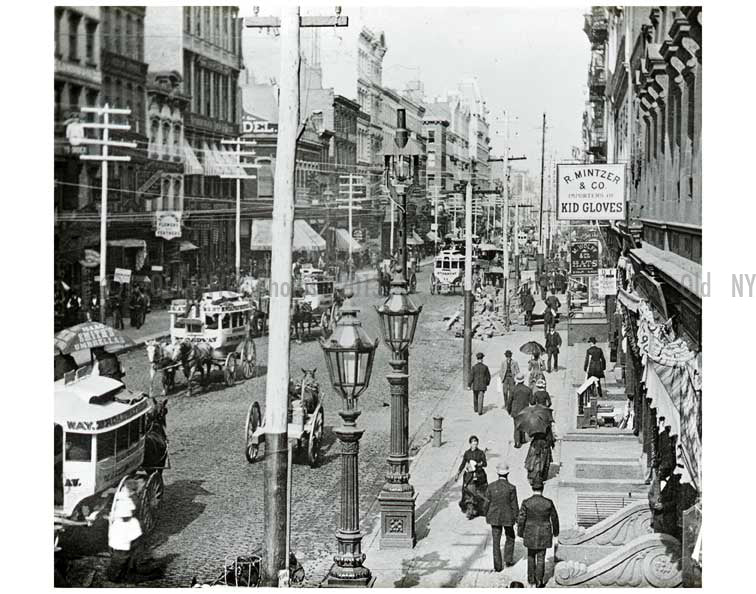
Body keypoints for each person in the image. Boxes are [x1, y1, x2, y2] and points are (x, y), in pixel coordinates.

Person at [517, 478, 560, 588]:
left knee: (531, 556)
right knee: (541, 557)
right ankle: (539, 581)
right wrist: (555, 532)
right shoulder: (548, 502)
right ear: (542, 489)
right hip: (544, 533)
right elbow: (554, 518)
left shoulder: (526, 502)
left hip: (530, 532)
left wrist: (520, 533)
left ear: (532, 488)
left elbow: (521, 519)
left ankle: (531, 580)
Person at [483, 462, 520, 571]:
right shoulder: (511, 488)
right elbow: (514, 505)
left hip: (494, 517)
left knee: (496, 541)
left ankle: (498, 566)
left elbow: (486, 504)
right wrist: (517, 519)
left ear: (497, 473)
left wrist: (487, 513)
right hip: (508, 517)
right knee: (510, 537)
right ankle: (508, 560)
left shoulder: (491, 487)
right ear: (507, 474)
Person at [456, 435, 488, 519]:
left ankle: (478, 509)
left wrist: (478, 464)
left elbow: (485, 463)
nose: (475, 444)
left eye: (476, 443)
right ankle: (470, 510)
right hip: (469, 476)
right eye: (473, 443)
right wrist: (458, 473)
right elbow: (463, 463)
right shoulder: (467, 453)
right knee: (469, 493)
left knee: (480, 493)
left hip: (479, 475)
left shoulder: (481, 453)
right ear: (470, 444)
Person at [525, 419, 555, 485]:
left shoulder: (534, 424)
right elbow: (550, 437)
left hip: (535, 445)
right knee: (542, 462)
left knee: (533, 461)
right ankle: (539, 477)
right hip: (544, 445)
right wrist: (552, 443)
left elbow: (530, 436)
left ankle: (533, 476)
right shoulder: (547, 425)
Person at [510, 373, 532, 448]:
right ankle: (523, 439)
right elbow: (532, 401)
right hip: (525, 410)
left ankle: (517, 442)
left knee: (516, 427)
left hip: (515, 410)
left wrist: (509, 410)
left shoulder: (513, 389)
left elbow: (509, 401)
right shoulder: (528, 389)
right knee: (523, 425)